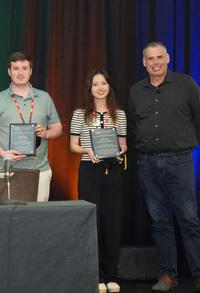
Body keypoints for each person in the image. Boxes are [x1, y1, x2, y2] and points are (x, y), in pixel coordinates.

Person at [129, 42, 200, 293]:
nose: (155, 62)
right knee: (160, 222)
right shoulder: (136, 91)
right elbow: (135, 125)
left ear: (168, 58)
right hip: (147, 163)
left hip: (179, 161)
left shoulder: (186, 84)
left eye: (160, 57)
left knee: (189, 220)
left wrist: (185, 143)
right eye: (150, 58)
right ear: (143, 62)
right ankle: (168, 275)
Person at [70, 69, 127, 293]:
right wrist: (88, 149)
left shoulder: (119, 114)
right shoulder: (80, 113)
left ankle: (111, 275)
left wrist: (119, 151)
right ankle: (96, 276)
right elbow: (73, 145)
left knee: (112, 222)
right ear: (90, 88)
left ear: (109, 86)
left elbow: (124, 144)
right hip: (89, 169)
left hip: (113, 171)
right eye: (95, 84)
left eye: (104, 83)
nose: (100, 87)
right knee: (92, 221)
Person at [0, 52, 62, 202]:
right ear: (9, 71)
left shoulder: (44, 97)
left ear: (30, 71)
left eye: (24, 68)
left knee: (37, 218)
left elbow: (58, 128)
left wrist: (45, 133)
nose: (20, 73)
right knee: (5, 219)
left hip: (39, 170)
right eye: (16, 68)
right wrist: (4, 153)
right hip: (5, 168)